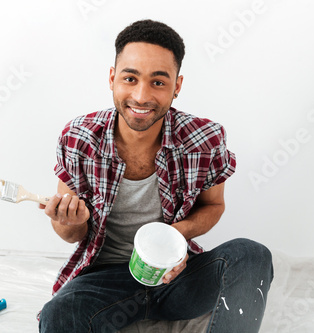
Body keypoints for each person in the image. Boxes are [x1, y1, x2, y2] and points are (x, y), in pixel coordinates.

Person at [38, 19, 273, 333]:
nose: (141, 95)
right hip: (106, 281)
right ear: (112, 78)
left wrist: (175, 238)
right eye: (130, 78)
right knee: (60, 315)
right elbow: (71, 235)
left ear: (177, 86)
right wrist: (71, 220)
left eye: (158, 82)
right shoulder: (79, 137)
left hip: (177, 278)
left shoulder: (205, 138)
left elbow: (213, 206)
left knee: (251, 254)